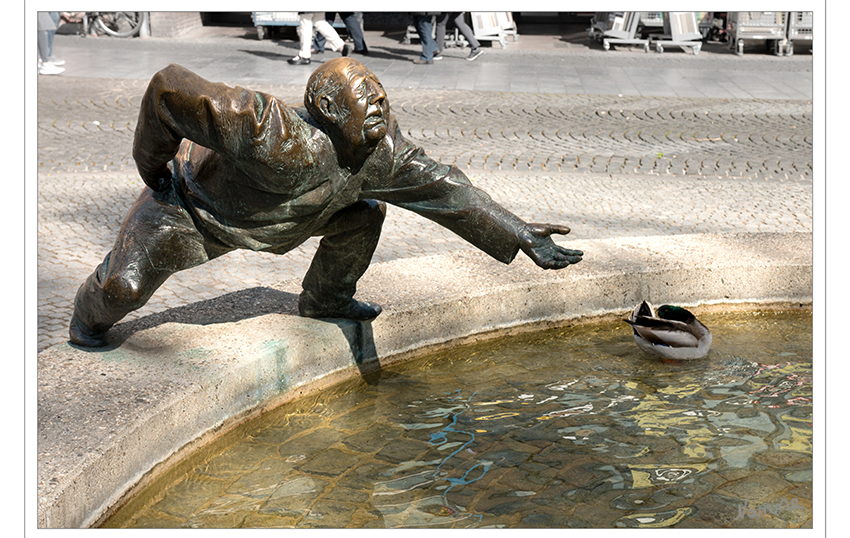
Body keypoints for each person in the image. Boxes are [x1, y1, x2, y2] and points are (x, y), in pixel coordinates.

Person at [69, 59, 583, 347]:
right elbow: (169, 88)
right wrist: (151, 166)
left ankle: (325, 298)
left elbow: (447, 189)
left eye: (381, 91)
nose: (379, 100)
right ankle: (82, 319)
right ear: (327, 108)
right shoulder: (269, 129)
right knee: (121, 288)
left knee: (364, 213)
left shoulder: (382, 154)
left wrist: (520, 233)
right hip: (190, 209)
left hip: (286, 219)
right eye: (365, 93)